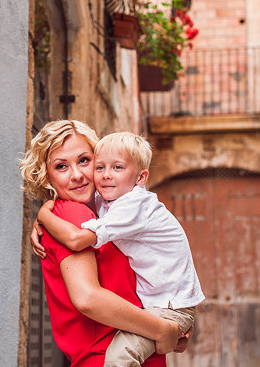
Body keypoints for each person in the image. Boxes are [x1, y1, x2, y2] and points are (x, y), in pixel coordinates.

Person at [20, 120, 184, 367]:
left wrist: (175, 325)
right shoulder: (74, 215)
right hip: (107, 357)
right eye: (61, 166)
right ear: (46, 177)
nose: (76, 175)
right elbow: (88, 298)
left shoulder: (106, 217)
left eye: (84, 161)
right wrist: (162, 329)